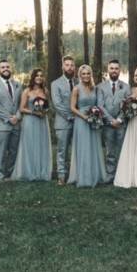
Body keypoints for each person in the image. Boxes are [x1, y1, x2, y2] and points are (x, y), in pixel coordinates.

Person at [68, 65, 107, 187]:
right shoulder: (76, 89)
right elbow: (72, 108)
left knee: (93, 147)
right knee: (83, 148)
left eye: (88, 74)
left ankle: (95, 175)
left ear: (91, 75)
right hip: (81, 121)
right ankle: (83, 177)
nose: (86, 76)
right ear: (79, 75)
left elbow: (98, 105)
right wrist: (84, 117)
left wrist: (96, 115)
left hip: (93, 121)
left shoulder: (94, 88)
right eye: (83, 74)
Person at [12, 68, 52, 181]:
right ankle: (28, 171)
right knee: (29, 145)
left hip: (42, 122)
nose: (39, 77)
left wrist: (44, 111)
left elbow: (48, 106)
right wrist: (34, 112)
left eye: (41, 75)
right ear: (33, 77)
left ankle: (41, 171)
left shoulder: (45, 91)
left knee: (41, 145)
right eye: (37, 75)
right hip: (30, 121)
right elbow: (22, 108)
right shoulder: (27, 91)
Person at [96, 60, 130, 183]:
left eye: (116, 68)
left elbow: (128, 105)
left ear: (120, 70)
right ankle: (110, 174)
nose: (114, 70)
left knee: (121, 149)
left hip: (121, 123)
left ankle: (121, 174)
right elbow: (100, 105)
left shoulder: (126, 86)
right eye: (112, 68)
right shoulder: (100, 87)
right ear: (108, 70)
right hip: (108, 124)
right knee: (110, 150)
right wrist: (111, 120)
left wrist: (119, 119)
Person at [0, 59, 22, 178]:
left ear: (11, 68)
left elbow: (21, 104)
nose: (5, 69)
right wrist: (9, 118)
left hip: (16, 123)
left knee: (14, 151)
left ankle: (11, 172)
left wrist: (17, 117)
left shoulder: (18, 85)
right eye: (3, 67)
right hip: (2, 124)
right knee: (0, 151)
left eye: (7, 67)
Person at [51, 56, 77, 186]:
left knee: (77, 149)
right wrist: (71, 116)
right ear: (62, 66)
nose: (70, 67)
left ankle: (75, 174)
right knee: (62, 150)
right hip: (63, 123)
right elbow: (57, 104)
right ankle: (61, 176)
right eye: (67, 65)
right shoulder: (55, 84)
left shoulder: (79, 82)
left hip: (79, 122)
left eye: (72, 65)